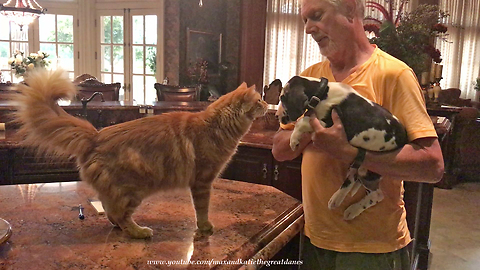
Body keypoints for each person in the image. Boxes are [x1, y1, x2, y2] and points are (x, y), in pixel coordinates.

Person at [271, 0, 445, 269]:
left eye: (316, 16)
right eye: (304, 20)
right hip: (314, 239)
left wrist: (351, 153)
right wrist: (311, 126)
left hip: (373, 250)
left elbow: (432, 166)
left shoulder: (395, 74)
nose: (308, 29)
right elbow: (280, 150)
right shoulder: (310, 78)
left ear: (350, 10)